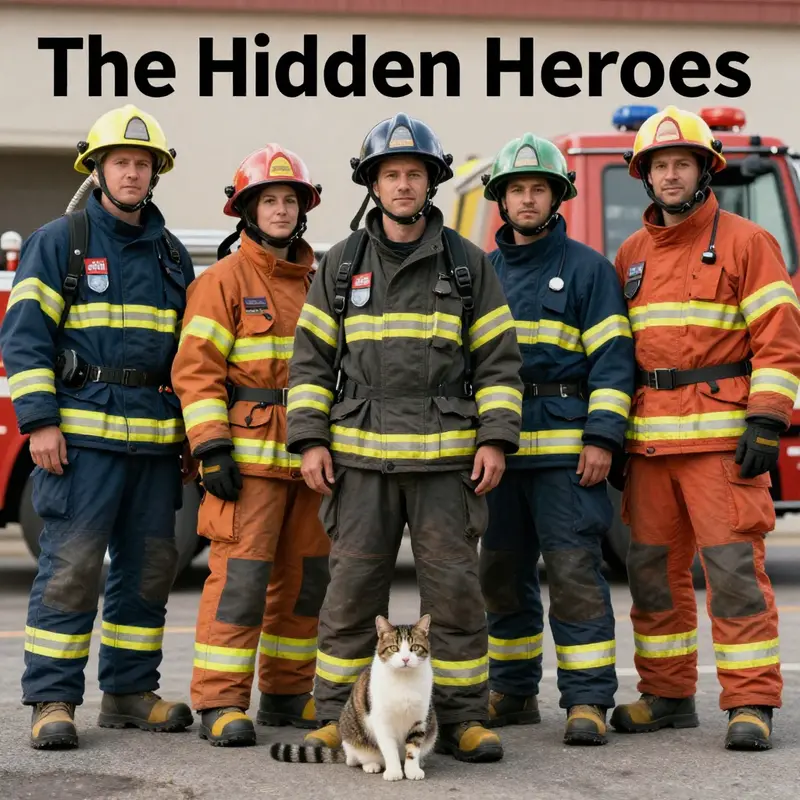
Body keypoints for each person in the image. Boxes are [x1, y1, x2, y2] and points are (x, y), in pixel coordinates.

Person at [285, 112, 524, 763]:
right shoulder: (339, 265)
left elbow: (499, 362)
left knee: (454, 594)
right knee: (351, 594)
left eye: (413, 174)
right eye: (390, 174)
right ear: (373, 183)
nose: (402, 185)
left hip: (449, 464)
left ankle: (466, 718)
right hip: (359, 462)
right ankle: (339, 720)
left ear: (432, 183)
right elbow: (309, 362)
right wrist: (309, 439)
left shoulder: (469, 266)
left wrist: (496, 438)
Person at [0, 104, 196, 749]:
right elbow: (24, 340)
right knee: (72, 569)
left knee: (146, 574)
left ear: (156, 173)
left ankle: (130, 694)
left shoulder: (171, 256)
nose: (133, 173)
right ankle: (52, 700)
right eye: (122, 162)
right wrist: (40, 424)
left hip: (154, 447)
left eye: (144, 164)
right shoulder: (61, 241)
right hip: (82, 445)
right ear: (98, 169)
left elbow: (188, 360)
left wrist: (191, 439)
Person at [609, 105, 800, 751]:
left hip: (721, 445)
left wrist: (768, 421)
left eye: (680, 163)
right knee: (653, 578)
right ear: (645, 175)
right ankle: (666, 695)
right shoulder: (631, 253)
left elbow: (779, 342)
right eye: (658, 165)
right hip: (653, 445)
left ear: (703, 169)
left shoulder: (748, 241)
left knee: (735, 576)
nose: (669, 175)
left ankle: (751, 704)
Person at [171, 144, 331, 746]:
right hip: (248, 464)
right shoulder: (221, 282)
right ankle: (220, 702)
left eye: (291, 200)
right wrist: (211, 448)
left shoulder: (321, 283)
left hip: (310, 463)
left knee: (305, 582)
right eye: (269, 200)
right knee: (239, 583)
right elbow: (196, 370)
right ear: (246, 210)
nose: (282, 210)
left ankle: (289, 694)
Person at [477, 133, 635, 745]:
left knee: (574, 574)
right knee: (501, 575)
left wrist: (602, 437)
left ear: (557, 196)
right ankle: (513, 693)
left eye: (537, 188)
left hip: (569, 454)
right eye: (516, 189)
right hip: (499, 453)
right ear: (501, 199)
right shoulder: (483, 273)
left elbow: (614, 362)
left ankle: (588, 701)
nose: (526, 199)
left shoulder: (589, 269)